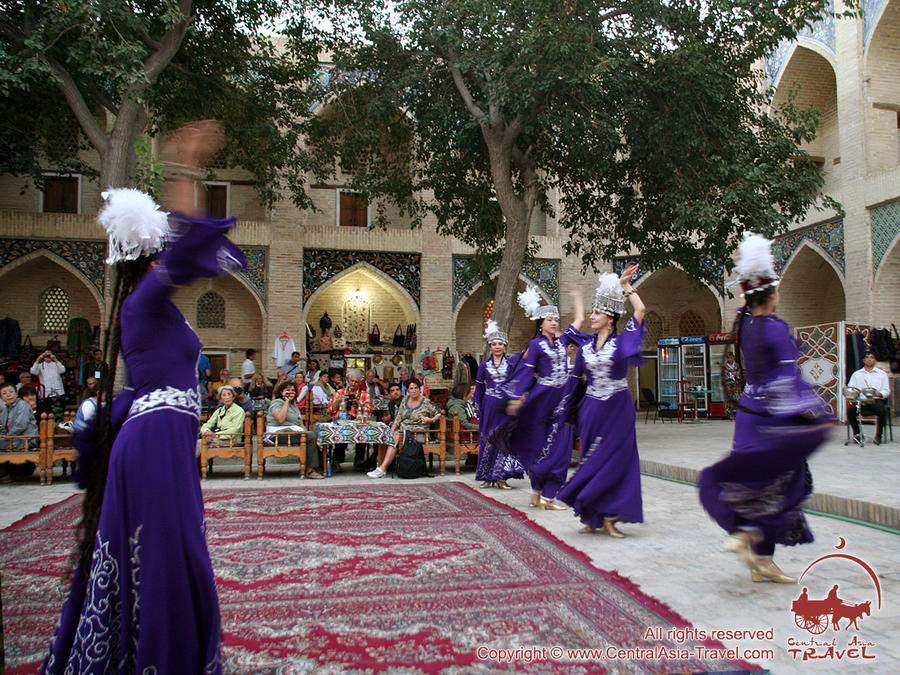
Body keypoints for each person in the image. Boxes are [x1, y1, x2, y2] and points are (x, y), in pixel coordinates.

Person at [42, 121, 236, 672]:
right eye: (160, 255)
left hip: (161, 445)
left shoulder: (151, 312)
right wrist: (183, 168)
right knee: (166, 561)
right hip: (153, 446)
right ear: (147, 260)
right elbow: (190, 253)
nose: (165, 265)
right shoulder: (143, 303)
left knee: (174, 556)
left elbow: (196, 259)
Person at [699, 233, 832, 586]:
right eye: (778, 290)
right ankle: (747, 536)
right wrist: (815, 413)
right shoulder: (774, 328)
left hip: (747, 413)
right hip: (770, 419)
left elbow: (745, 307)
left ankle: (762, 560)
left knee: (758, 482)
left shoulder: (745, 323)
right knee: (786, 484)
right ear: (772, 295)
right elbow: (787, 381)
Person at [555, 267, 646, 538]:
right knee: (590, 459)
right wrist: (564, 410)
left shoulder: (621, 343)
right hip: (592, 409)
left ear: (610, 318)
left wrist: (626, 286)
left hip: (618, 408)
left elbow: (640, 311)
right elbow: (574, 381)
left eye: (597, 313)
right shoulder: (584, 348)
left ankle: (610, 516)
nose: (592, 317)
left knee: (615, 460)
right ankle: (592, 515)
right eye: (592, 313)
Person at [491, 286, 590, 509]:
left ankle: (547, 495)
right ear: (541, 324)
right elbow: (527, 371)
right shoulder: (535, 345)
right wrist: (517, 397)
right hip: (542, 400)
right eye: (549, 320)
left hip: (563, 400)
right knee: (539, 447)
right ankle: (538, 492)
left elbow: (580, 319)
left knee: (562, 447)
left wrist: (578, 297)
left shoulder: (564, 341)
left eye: (556, 319)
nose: (554, 323)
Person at [473, 321, 525, 490]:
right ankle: (487, 476)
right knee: (488, 438)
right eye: (494, 344)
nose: (497, 347)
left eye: (500, 344)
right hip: (489, 407)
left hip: (505, 408)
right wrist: (477, 406)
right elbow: (479, 387)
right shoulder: (483, 365)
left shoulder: (510, 364)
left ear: (505, 346)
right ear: (490, 346)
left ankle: (501, 477)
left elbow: (518, 383)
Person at [367, 377, 440, 478]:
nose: (414, 391)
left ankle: (382, 469)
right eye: (411, 388)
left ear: (419, 389)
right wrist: (391, 431)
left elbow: (439, 414)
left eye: (416, 388)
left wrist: (430, 420)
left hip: (418, 432)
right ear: (407, 390)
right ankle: (384, 466)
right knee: (387, 437)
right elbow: (398, 417)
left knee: (396, 437)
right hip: (403, 429)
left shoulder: (425, 402)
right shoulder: (405, 400)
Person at [266, 380, 323, 478]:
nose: (291, 392)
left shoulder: (294, 405)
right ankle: (310, 470)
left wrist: (311, 435)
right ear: (281, 392)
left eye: (293, 390)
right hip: (278, 435)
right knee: (310, 436)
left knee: (315, 434)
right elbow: (280, 419)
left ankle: (320, 466)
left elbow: (300, 423)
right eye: (288, 390)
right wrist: (286, 401)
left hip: (292, 433)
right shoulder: (277, 402)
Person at [324, 369, 373, 471]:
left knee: (362, 433)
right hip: (342, 419)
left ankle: (359, 460)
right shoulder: (340, 392)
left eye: (356, 382)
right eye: (352, 381)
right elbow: (331, 410)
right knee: (342, 432)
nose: (354, 384)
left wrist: (359, 404)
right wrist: (339, 400)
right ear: (348, 380)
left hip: (358, 420)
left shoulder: (364, 395)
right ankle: (337, 461)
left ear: (360, 382)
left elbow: (369, 412)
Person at [846, 349, 890, 445]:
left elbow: (886, 391)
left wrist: (876, 394)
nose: (869, 359)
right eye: (867, 357)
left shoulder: (882, 374)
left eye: (872, 357)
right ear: (863, 360)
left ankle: (879, 435)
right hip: (861, 401)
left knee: (881, 411)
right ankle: (858, 434)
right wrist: (853, 394)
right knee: (850, 411)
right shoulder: (856, 374)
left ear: (875, 360)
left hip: (876, 400)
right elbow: (850, 389)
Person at [1, 381, 40, 481]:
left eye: (10, 392)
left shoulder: (22, 405)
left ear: (16, 394)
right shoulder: (6, 408)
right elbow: (2, 426)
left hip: (25, 439)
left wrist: (6, 437)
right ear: (1, 397)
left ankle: (3, 474)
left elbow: (20, 426)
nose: (8, 395)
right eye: (4, 393)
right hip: (13, 439)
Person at [721, 351, 743, 421]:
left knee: (737, 398)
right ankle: (730, 414)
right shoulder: (725, 366)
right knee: (729, 400)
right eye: (729, 358)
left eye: (731, 358)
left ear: (733, 358)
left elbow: (739, 372)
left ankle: (737, 413)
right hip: (729, 384)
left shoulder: (736, 365)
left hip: (736, 383)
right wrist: (728, 375)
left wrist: (736, 373)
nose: (730, 359)